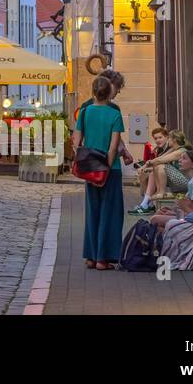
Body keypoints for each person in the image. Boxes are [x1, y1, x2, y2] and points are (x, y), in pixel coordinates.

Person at [71, 74, 124, 270]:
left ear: (93, 92)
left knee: (92, 212)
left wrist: (88, 165)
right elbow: (113, 147)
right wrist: (106, 168)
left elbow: (76, 144)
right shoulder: (115, 115)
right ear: (109, 92)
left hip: (89, 169)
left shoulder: (84, 112)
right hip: (111, 170)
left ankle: (91, 257)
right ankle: (104, 258)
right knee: (110, 213)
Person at [129, 129, 193, 215]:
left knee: (160, 166)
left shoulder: (181, 151)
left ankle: (160, 192)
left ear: (173, 140)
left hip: (186, 183)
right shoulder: (174, 149)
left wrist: (148, 164)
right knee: (151, 172)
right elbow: (160, 158)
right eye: (156, 138)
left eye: (169, 138)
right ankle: (147, 204)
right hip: (179, 181)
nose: (168, 141)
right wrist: (145, 168)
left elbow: (160, 160)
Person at [149, 149, 193, 229]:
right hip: (188, 216)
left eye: (184, 158)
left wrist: (179, 209)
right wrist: (172, 212)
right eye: (180, 158)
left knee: (154, 219)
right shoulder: (191, 181)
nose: (180, 161)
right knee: (159, 212)